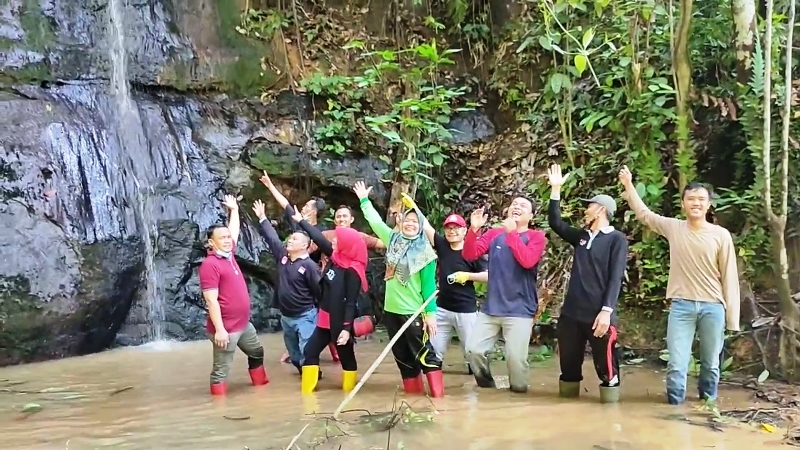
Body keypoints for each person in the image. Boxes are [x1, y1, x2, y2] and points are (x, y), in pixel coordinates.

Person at [618, 166, 740, 405]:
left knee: (711, 363)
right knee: (676, 363)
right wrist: (629, 185)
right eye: (691, 199)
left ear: (708, 205)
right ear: (683, 203)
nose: (696, 203)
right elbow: (645, 215)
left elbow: (729, 276)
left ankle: (708, 405)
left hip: (713, 307)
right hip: (681, 307)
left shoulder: (720, 235)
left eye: (701, 199)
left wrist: (732, 318)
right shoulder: (674, 228)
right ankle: (675, 409)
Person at [546, 164, 628, 403]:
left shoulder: (616, 239)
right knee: (569, 368)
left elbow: (615, 277)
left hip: (598, 314)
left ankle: (612, 424)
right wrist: (555, 190)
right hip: (571, 314)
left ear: (600, 209)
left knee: (607, 370)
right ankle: (569, 417)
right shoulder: (582, 236)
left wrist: (606, 311)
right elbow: (556, 224)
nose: (585, 210)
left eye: (589, 206)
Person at [354, 181, 444, 397]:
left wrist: (430, 315)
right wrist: (364, 200)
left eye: (415, 222)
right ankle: (414, 397)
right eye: (407, 220)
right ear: (401, 222)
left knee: (424, 354)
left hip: (413, 312)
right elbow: (375, 222)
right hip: (392, 311)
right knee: (402, 356)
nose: (410, 224)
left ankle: (439, 399)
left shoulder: (426, 254)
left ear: (421, 226)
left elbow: (429, 286)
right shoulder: (393, 239)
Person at [463, 196, 547, 394]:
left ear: (531, 215)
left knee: (516, 361)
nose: (517, 206)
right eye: (514, 204)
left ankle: (518, 398)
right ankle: (487, 389)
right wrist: (473, 230)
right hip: (491, 307)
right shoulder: (494, 234)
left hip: (519, 310)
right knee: (473, 351)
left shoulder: (536, 237)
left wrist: (512, 234)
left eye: (523, 205)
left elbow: (527, 261)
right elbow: (469, 255)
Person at [258, 171, 341, 363]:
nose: (302, 208)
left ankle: (322, 352)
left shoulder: (318, 232)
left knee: (316, 316)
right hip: (292, 275)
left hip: (309, 277)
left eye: (306, 207)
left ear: (313, 212)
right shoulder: (296, 226)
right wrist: (270, 186)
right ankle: (303, 352)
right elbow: (285, 204)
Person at [289, 206, 371, 393]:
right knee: (310, 352)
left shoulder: (353, 271)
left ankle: (348, 394)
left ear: (347, 244)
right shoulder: (336, 257)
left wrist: (346, 329)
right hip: (324, 319)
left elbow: (350, 302)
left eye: (337, 240)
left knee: (346, 357)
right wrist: (301, 221)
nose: (333, 242)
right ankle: (308, 399)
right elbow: (318, 238)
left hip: (340, 322)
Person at [199, 195, 269, 396]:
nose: (228, 240)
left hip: (244, 324)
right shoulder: (210, 265)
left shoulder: (228, 255)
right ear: (211, 243)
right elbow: (211, 300)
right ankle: (218, 408)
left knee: (257, 352)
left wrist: (234, 210)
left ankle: (261, 389)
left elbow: (235, 232)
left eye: (228, 237)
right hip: (226, 329)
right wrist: (219, 330)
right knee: (221, 371)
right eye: (222, 238)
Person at [412, 200, 487, 374]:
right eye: (448, 228)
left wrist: (467, 276)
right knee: (434, 355)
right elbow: (426, 226)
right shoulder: (443, 245)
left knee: (473, 356)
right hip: (442, 309)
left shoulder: (473, 250)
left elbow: (488, 275)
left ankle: (480, 391)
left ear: (464, 230)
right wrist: (414, 207)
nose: (452, 232)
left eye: (456, 228)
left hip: (466, 311)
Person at [252, 199, 322, 378]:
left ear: (305, 246)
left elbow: (319, 291)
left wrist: (319, 312)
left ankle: (311, 385)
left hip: (306, 315)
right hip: (286, 316)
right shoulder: (283, 257)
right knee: (295, 354)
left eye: (295, 239)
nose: (290, 240)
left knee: (306, 350)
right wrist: (262, 218)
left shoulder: (309, 266)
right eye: (291, 238)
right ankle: (308, 373)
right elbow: (273, 239)